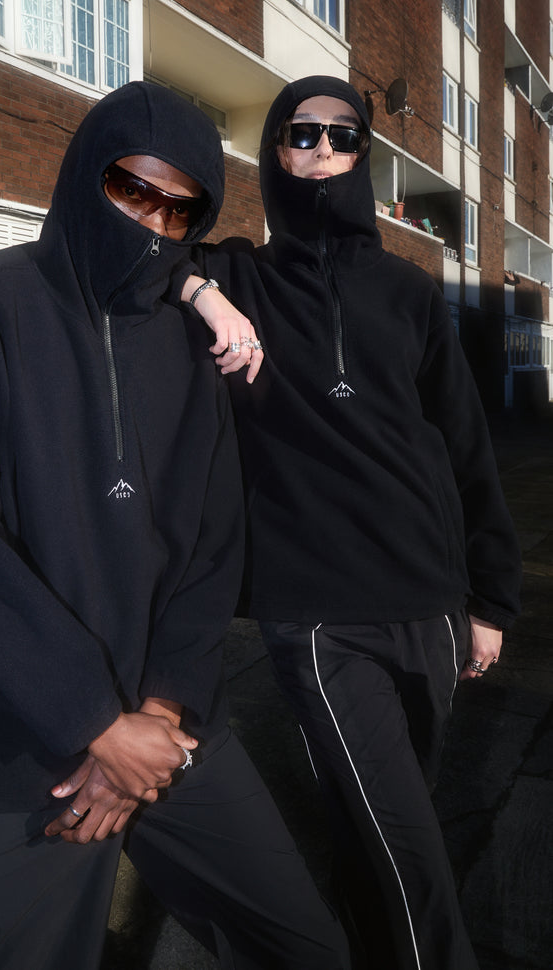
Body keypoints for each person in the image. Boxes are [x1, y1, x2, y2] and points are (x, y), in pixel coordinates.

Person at [0, 81, 351, 970]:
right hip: (17, 736)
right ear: (83, 173)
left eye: (179, 210)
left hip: (169, 719)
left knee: (303, 945)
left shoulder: (190, 344)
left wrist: (158, 712)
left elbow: (212, 546)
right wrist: (98, 727)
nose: (152, 223)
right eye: (132, 189)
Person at [183, 75, 522, 970]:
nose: (324, 150)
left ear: (364, 156)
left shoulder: (410, 292)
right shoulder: (240, 274)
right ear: (275, 151)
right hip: (318, 617)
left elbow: (464, 446)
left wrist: (489, 600)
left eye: (343, 136)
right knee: (406, 843)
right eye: (302, 133)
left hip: (430, 603)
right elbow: (125, 250)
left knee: (380, 817)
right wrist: (201, 292)